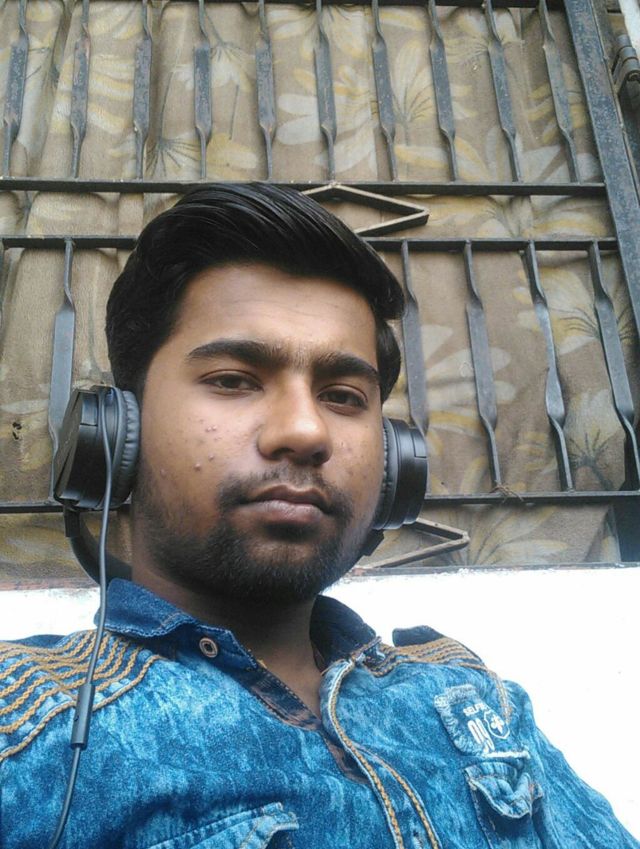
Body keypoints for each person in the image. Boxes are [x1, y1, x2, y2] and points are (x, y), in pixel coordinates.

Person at [0, 184, 637, 849]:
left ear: (393, 467)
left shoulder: (479, 703)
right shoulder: (25, 723)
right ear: (116, 437)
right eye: (233, 379)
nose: (306, 431)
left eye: (343, 395)